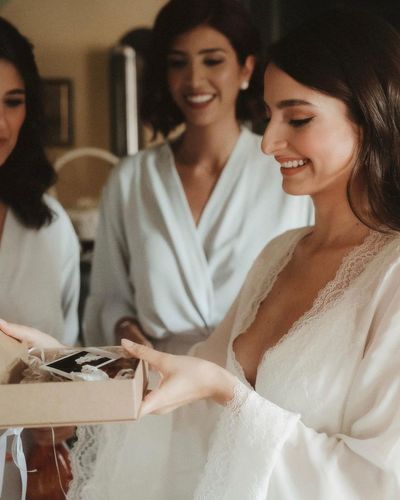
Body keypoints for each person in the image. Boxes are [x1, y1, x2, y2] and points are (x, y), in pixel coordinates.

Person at [3, 6, 400, 500]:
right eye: (269, 116)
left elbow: (380, 480)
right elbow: (182, 388)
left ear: (371, 117)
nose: (269, 142)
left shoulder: (391, 275)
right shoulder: (279, 256)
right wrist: (61, 361)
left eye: (297, 118)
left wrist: (226, 392)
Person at [83, 0, 313, 354]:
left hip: (256, 376)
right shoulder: (131, 180)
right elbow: (107, 296)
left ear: (246, 68)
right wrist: (123, 327)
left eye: (212, 61)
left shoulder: (287, 172)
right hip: (157, 375)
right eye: (178, 63)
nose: (193, 80)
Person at [0, 17, 80, 500]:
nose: (1, 125)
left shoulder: (47, 225)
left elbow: (64, 358)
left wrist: (52, 438)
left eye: (13, 102)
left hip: (24, 474)